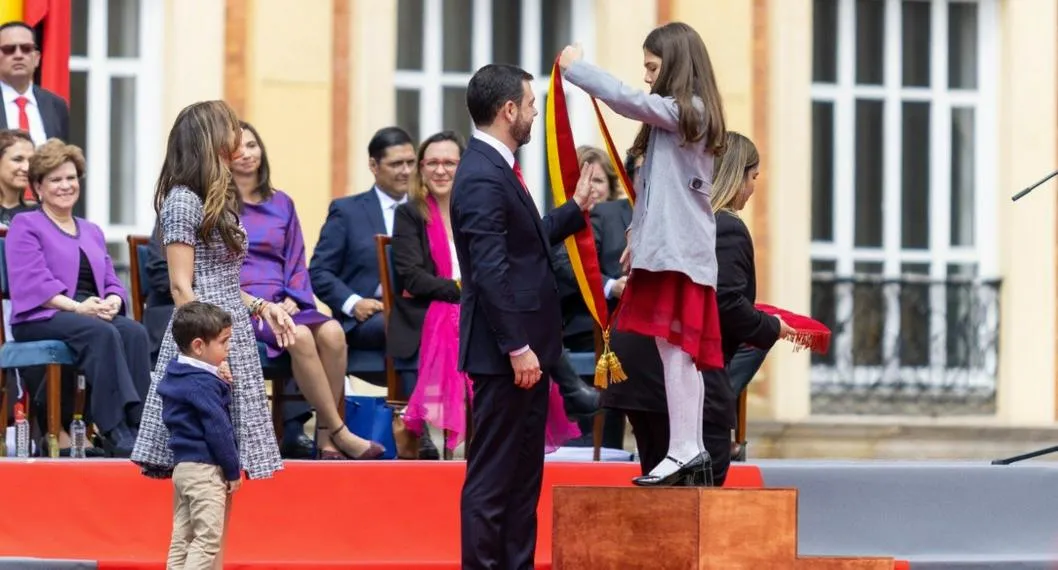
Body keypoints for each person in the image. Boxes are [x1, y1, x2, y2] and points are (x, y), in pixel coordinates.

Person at [560, 23, 730, 486]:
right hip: (670, 248)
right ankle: (688, 447)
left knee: (677, 350)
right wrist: (637, 234)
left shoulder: (687, 110)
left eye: (653, 68)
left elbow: (627, 99)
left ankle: (684, 448)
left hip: (678, 250)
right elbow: (655, 188)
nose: (648, 78)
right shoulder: (681, 117)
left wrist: (577, 70)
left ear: (674, 63)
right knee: (675, 349)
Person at [452, 63, 600, 570]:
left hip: (526, 353)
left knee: (521, 479)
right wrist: (517, 347)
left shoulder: (496, 169)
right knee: (494, 480)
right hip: (506, 356)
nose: (536, 113)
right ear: (508, 110)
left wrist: (575, 208)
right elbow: (491, 273)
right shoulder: (481, 175)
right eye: (531, 104)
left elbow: (523, 243)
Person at [605, 132, 789, 483]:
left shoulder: (675, 219)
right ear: (737, 175)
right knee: (699, 495)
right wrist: (771, 328)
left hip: (639, 373)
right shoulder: (726, 227)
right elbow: (725, 303)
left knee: (663, 497)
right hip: (679, 375)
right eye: (752, 178)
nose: (752, 190)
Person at [131, 100, 301, 480]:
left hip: (227, 327)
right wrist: (207, 352)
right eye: (228, 127)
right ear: (209, 139)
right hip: (203, 335)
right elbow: (181, 286)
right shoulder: (182, 200)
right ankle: (199, 538)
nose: (237, 136)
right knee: (205, 451)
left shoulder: (215, 199)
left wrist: (261, 306)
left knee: (228, 457)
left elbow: (221, 279)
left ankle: (217, 538)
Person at [392, 130, 580, 456]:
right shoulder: (410, 213)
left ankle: (507, 426)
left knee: (514, 316)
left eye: (449, 162)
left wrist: (576, 208)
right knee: (463, 317)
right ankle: (476, 430)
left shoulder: (479, 202)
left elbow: (518, 249)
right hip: (433, 311)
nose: (440, 170)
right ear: (420, 169)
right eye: (432, 162)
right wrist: (464, 290)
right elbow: (413, 278)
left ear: (462, 166)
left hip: (482, 304)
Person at [234, 121, 381, 460]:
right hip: (246, 303)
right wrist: (262, 305)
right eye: (236, 148)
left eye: (252, 145)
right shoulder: (219, 206)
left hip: (287, 298)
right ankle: (338, 431)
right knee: (298, 337)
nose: (246, 153)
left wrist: (294, 297)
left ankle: (327, 438)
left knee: (332, 333)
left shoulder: (282, 202)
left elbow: (297, 258)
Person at [6, 138, 148, 456]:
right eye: (56, 180)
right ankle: (114, 429)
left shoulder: (92, 230)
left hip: (88, 311)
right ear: (38, 187)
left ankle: (141, 424)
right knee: (101, 332)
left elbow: (112, 280)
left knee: (135, 332)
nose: (66, 186)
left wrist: (112, 299)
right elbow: (32, 282)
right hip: (42, 315)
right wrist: (77, 307)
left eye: (71, 178)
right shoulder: (25, 225)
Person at [159, 301, 240, 570]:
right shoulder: (203, 384)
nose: (228, 349)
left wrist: (220, 375)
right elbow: (219, 430)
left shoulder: (176, 372)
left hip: (182, 469)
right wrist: (232, 472)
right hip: (206, 470)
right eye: (223, 342)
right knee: (206, 540)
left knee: (182, 538)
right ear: (198, 346)